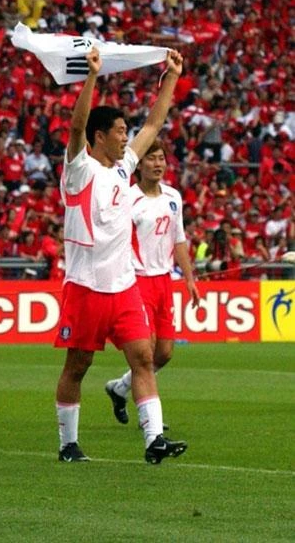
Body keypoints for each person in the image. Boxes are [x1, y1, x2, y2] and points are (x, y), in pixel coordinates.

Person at [54, 46, 188, 464]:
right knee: (78, 366)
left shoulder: (121, 168)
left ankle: (153, 440)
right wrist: (92, 77)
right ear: (100, 136)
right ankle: (68, 443)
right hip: (86, 286)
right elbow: (77, 126)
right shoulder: (79, 169)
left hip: (124, 285)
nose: (126, 137)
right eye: (119, 131)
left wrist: (171, 77)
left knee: (144, 357)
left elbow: (154, 124)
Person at [104, 142, 201, 425]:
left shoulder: (173, 197)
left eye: (161, 159)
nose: (158, 164)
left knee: (164, 353)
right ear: (139, 165)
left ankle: (119, 388)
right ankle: (150, 420)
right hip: (136, 281)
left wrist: (189, 279)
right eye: (151, 159)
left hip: (164, 282)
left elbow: (178, 239)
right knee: (145, 351)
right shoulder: (128, 198)